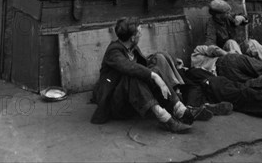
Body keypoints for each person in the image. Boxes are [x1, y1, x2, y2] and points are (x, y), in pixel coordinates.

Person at [90, 17, 218, 133]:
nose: (141, 35)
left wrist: (158, 72)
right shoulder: (114, 51)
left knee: (155, 68)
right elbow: (129, 68)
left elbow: (143, 66)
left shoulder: (131, 48)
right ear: (133, 38)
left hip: (131, 100)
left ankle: (180, 109)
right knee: (135, 76)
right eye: (139, 32)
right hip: (116, 104)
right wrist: (155, 77)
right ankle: (165, 119)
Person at [205, 0, 262, 66]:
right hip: (225, 56)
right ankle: (242, 66)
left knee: (252, 43)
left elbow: (246, 18)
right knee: (230, 42)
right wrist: (225, 53)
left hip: (237, 50)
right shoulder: (211, 25)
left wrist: (242, 18)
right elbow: (210, 46)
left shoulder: (227, 17)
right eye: (227, 13)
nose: (229, 14)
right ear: (218, 15)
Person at [191, 44, 262, 94]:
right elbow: (213, 49)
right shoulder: (196, 52)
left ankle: (259, 88)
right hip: (226, 61)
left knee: (248, 82)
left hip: (223, 77)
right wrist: (228, 54)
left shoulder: (192, 71)